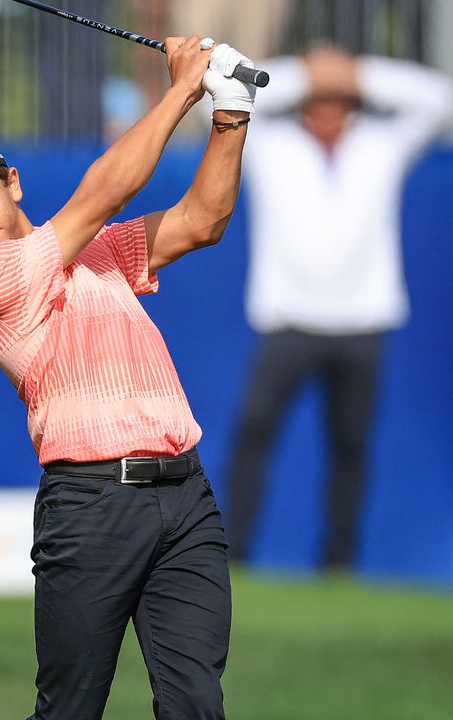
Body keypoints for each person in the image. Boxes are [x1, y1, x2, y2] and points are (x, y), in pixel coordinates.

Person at [0, 37, 257, 719]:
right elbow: (104, 190)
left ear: (12, 183)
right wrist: (182, 89)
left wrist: (231, 111)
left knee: (196, 705)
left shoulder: (92, 254)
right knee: (70, 709)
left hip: (185, 496)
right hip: (89, 506)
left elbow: (201, 222)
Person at [225, 46, 453, 569]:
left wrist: (359, 73)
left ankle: (340, 561)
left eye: (339, 98)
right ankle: (234, 554)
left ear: (355, 102)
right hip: (287, 318)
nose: (327, 109)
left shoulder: (383, 143)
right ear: (303, 101)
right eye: (316, 98)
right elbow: (221, 97)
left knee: (350, 447)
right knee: (253, 435)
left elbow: (436, 98)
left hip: (363, 320)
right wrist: (306, 73)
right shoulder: (270, 143)